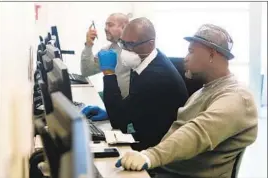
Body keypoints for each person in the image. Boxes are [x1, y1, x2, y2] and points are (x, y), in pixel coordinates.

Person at [115, 24, 258, 178]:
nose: (186, 58)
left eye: (191, 51)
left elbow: (198, 132)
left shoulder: (237, 97)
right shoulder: (203, 91)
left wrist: (150, 156)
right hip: (165, 171)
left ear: (211, 54)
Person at [82, 17, 188, 151]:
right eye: (123, 43)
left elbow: (119, 123)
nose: (125, 50)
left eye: (130, 45)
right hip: (147, 133)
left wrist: (109, 73)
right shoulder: (146, 61)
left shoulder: (154, 77)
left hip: (157, 148)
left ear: (150, 44)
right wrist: (108, 112)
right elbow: (132, 108)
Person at [80, 13, 130, 98]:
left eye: (110, 25)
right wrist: (88, 45)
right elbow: (86, 71)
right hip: (113, 99)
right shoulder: (107, 50)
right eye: (106, 25)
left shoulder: (136, 50)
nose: (106, 29)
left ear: (124, 27)